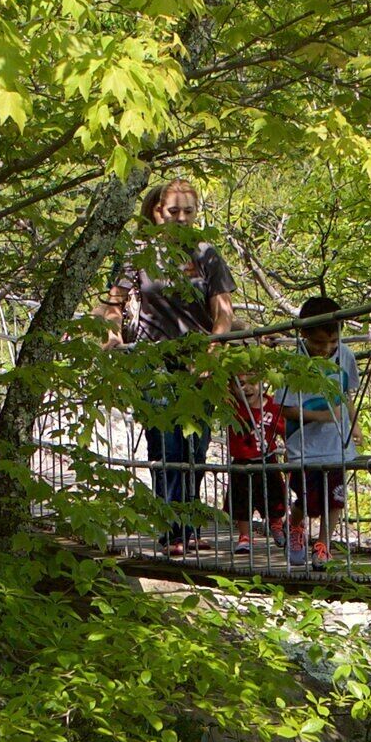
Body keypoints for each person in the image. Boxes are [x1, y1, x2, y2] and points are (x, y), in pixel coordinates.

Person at [110, 178, 230, 552]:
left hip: (199, 360)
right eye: (172, 211)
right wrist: (111, 337)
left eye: (188, 212)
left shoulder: (206, 254)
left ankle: (189, 527)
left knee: (196, 445)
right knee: (166, 444)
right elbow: (113, 305)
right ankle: (171, 531)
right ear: (155, 212)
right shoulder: (136, 252)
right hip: (151, 360)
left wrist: (212, 351)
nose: (181, 219)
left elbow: (223, 312)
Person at [274, 294, 357, 567]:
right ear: (304, 335)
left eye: (333, 341)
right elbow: (282, 409)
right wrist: (319, 416)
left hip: (337, 444)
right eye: (320, 343)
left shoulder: (345, 356)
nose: (327, 348)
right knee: (307, 500)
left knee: (336, 498)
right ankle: (295, 528)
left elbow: (346, 395)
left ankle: (323, 545)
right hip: (304, 445)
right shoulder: (292, 365)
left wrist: (353, 424)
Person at [223, 365, 286, 555]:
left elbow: (284, 431)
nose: (248, 388)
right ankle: (244, 536)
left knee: (275, 495)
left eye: (252, 382)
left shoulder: (273, 405)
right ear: (232, 388)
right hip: (242, 460)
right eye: (241, 384)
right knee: (241, 500)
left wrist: (291, 450)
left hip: (267, 458)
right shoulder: (232, 405)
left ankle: (276, 524)